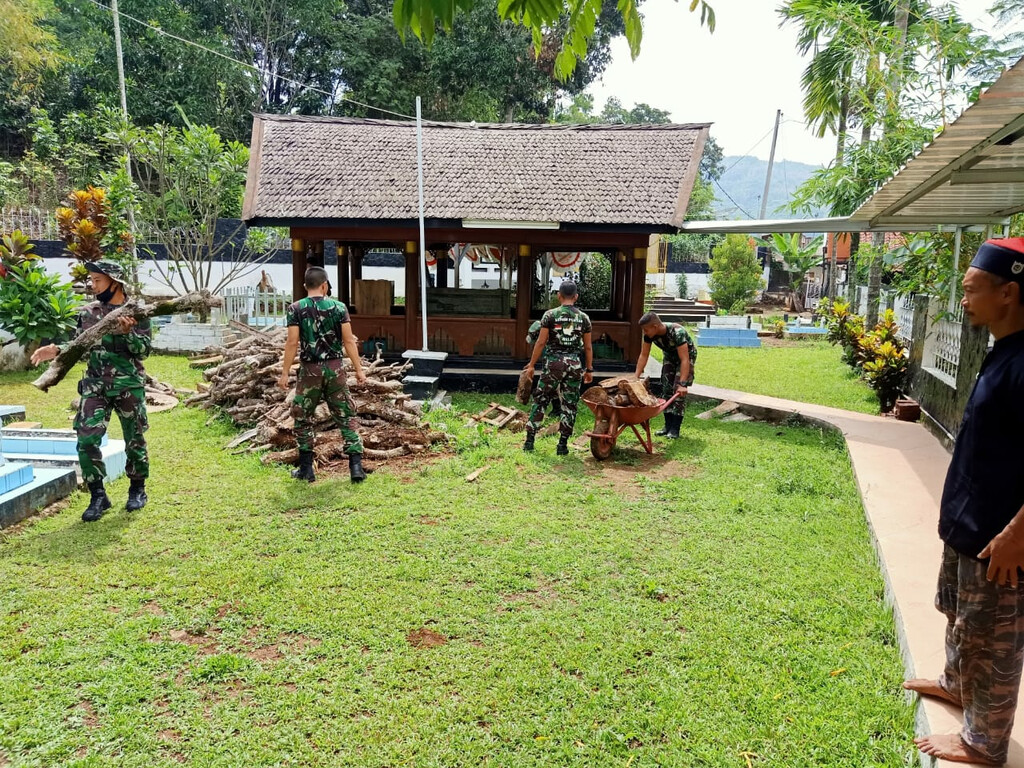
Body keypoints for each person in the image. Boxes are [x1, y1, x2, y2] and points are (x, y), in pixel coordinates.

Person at [904, 237, 1024, 766]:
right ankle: (955, 684)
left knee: (994, 645)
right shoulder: (1003, 349)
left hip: (1002, 537)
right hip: (969, 525)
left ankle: (984, 742)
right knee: (961, 618)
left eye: (973, 290)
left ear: (1009, 292)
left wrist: (1018, 533)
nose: (964, 301)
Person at [31, 260, 152, 522]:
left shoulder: (136, 311)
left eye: (97, 279)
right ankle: (98, 495)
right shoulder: (88, 312)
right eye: (92, 279)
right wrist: (56, 349)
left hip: (128, 385)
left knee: (135, 438)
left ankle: (137, 489)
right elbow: (79, 344)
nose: (92, 284)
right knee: (86, 440)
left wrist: (128, 333)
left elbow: (144, 350)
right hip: (95, 386)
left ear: (114, 281)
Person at [278, 266, 368, 484]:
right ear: (325, 285)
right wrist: (359, 370)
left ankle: (306, 469)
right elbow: (349, 341)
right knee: (346, 415)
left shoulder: (296, 308)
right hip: (335, 368)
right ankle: (355, 467)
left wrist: (284, 372)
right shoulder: (339, 308)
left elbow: (292, 342)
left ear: (305, 286)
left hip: (310, 370)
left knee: (302, 416)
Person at [522, 280, 593, 455]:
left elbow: (540, 342)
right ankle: (562, 445)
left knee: (541, 400)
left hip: (553, 364)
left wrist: (531, 365)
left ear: (559, 296)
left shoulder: (550, 315)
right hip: (574, 365)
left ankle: (530, 441)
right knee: (569, 403)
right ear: (576, 297)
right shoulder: (583, 318)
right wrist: (589, 369)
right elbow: (589, 347)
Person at [632, 311, 696, 439]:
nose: (645, 333)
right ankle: (667, 426)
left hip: (685, 358)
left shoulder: (677, 332)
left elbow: (684, 359)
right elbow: (644, 355)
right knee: (666, 388)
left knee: (677, 392)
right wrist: (636, 377)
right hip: (670, 358)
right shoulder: (650, 336)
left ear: (655, 327)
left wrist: (683, 384)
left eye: (646, 330)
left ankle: (675, 429)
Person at [525, 320, 560, 418]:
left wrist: (532, 364)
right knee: (552, 388)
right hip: (550, 365)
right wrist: (532, 363)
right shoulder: (545, 342)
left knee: (547, 388)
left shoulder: (554, 340)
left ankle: (538, 414)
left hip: (558, 366)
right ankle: (556, 409)